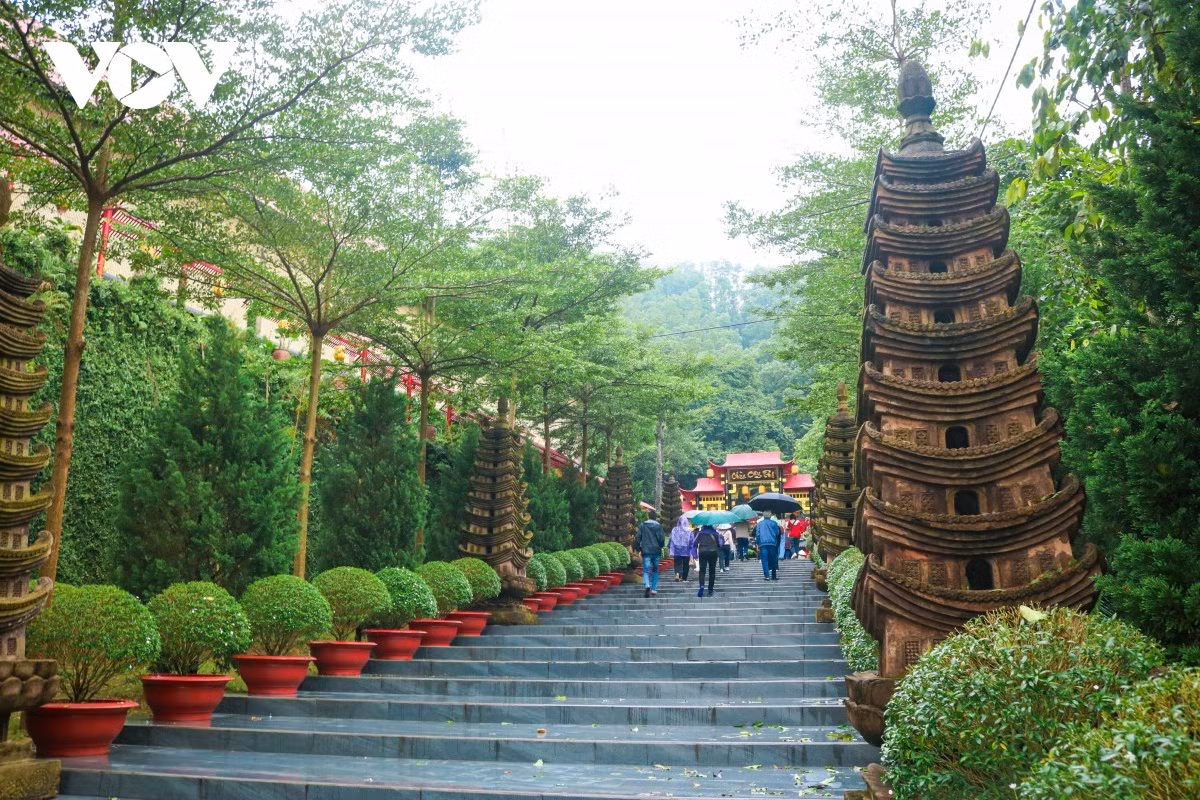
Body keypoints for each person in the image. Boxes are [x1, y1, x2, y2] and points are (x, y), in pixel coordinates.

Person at [635, 511, 666, 598]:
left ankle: (647, 585)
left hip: (646, 551)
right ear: (655, 517)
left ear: (648, 516)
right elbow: (662, 539)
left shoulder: (643, 525)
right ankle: (653, 589)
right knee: (655, 570)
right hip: (656, 551)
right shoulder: (659, 526)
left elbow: (638, 537)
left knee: (646, 570)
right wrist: (660, 546)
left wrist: (639, 549)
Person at [755, 510, 783, 581]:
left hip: (763, 544)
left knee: (764, 560)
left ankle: (767, 576)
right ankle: (774, 576)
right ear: (770, 516)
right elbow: (777, 533)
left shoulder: (759, 524)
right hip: (772, 543)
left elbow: (757, 535)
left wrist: (757, 543)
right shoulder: (774, 523)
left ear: (763, 516)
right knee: (773, 559)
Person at [694, 524, 721, 597]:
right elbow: (720, 544)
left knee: (702, 571)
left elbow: (695, 543)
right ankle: (710, 589)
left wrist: (694, 554)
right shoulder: (715, 533)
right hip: (713, 552)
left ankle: (702, 586)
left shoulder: (700, 533)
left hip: (702, 552)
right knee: (712, 571)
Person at [669, 515, 696, 581]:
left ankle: (677, 573)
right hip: (686, 550)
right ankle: (684, 578)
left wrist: (670, 546)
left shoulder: (674, 529)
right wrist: (692, 549)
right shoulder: (689, 530)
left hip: (677, 549)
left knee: (677, 563)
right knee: (686, 565)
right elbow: (691, 540)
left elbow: (671, 539)